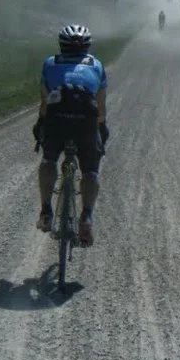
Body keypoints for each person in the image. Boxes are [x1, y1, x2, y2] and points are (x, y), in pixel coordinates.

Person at [33, 22, 109, 244]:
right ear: (87, 47)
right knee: (90, 171)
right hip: (86, 122)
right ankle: (86, 216)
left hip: (57, 121)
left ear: (61, 45)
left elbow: (45, 104)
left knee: (48, 160)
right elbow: (101, 110)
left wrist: (41, 126)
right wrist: (100, 131)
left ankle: (46, 211)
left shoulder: (49, 63)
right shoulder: (97, 65)